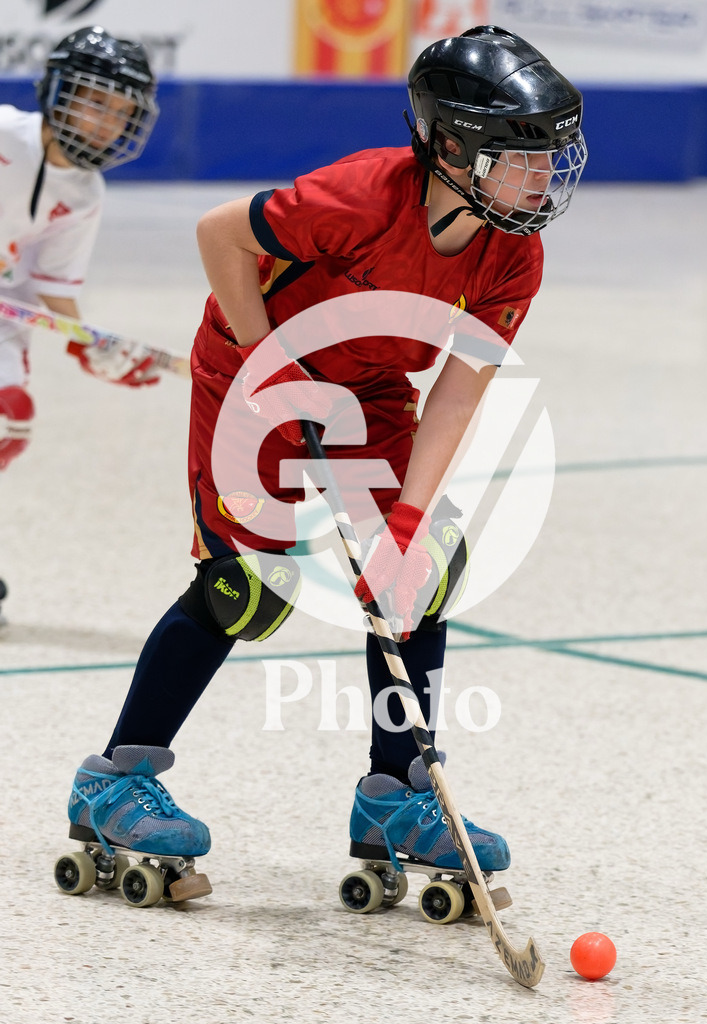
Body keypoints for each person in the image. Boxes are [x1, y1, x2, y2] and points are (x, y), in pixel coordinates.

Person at [62, 26, 588, 892]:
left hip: (374, 386)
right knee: (246, 589)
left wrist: (408, 522)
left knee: (417, 570)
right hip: (252, 368)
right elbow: (219, 236)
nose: (544, 179)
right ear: (450, 147)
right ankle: (113, 779)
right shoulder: (362, 198)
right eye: (522, 158)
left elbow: (458, 391)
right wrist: (271, 367)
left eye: (550, 157)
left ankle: (395, 796)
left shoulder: (515, 253)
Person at [0, 26, 161, 623]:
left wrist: (90, 349)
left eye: (120, 112)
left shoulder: (85, 193)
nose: (104, 123)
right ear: (58, 92)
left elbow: (51, 290)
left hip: (4, 308)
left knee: (6, 423)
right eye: (94, 101)